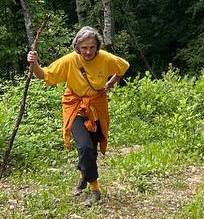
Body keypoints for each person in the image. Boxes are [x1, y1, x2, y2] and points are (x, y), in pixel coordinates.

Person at [27, 27, 129, 205]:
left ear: (97, 46)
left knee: (93, 146)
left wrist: (110, 84)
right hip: (74, 106)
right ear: (77, 47)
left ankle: (84, 174)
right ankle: (95, 190)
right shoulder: (69, 60)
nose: (88, 51)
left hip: (97, 105)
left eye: (92, 47)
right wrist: (34, 63)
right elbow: (44, 75)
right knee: (85, 147)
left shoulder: (105, 58)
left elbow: (123, 67)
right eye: (84, 48)